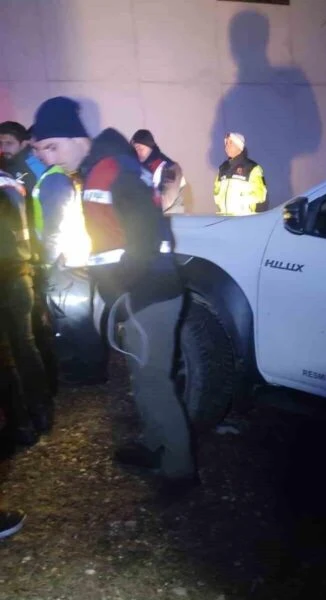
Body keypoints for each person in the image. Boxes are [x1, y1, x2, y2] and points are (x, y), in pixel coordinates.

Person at [32, 96, 197, 483]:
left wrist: (123, 287)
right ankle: (153, 442)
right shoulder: (108, 167)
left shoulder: (111, 169)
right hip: (143, 291)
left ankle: (179, 467)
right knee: (143, 375)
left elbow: (143, 237)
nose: (51, 158)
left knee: (154, 379)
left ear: (77, 138)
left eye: (53, 146)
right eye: (42, 151)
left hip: (149, 293)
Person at [0, 169, 52, 444]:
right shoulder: (11, 182)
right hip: (20, 272)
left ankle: (20, 425)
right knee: (25, 345)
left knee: (5, 355)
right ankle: (41, 412)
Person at [130, 129, 186, 215]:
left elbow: (167, 199)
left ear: (150, 147)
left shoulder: (170, 167)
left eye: (141, 148)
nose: (138, 152)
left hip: (169, 220)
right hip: (148, 219)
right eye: (136, 149)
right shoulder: (136, 168)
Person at [214, 132, 267, 216]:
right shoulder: (222, 168)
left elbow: (260, 195)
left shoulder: (252, 168)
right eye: (226, 143)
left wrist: (240, 199)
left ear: (239, 146)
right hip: (224, 219)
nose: (227, 146)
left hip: (243, 220)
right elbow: (216, 191)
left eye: (230, 143)